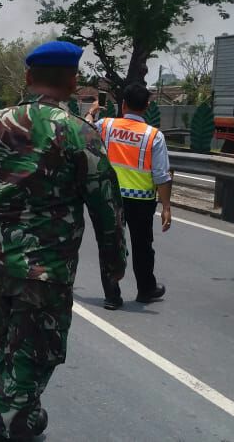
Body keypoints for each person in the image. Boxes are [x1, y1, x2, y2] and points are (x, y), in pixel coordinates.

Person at [0, 41, 127, 442]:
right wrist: (114, 262)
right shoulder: (79, 133)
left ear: (29, 78)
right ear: (73, 80)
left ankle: (23, 417)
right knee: (35, 350)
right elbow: (105, 204)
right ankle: (9, 424)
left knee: (8, 343)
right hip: (45, 267)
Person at [86, 83, 171, 309]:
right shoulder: (155, 136)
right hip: (141, 200)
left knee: (110, 244)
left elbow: (84, 128)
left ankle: (112, 296)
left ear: (123, 104)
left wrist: (93, 110)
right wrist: (167, 207)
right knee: (142, 245)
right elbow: (161, 175)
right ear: (147, 107)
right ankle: (146, 289)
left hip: (110, 196)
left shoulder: (106, 125)